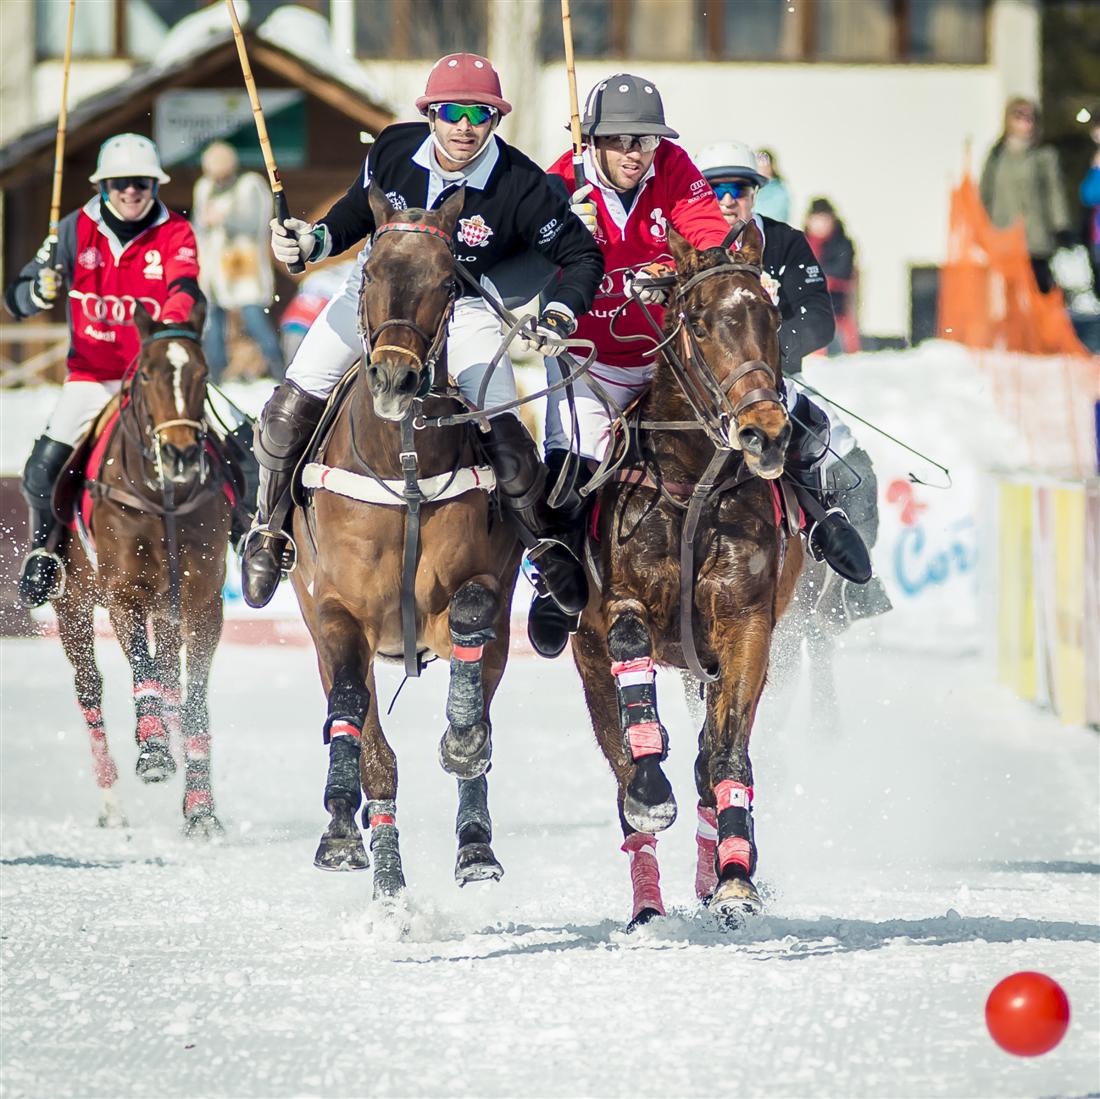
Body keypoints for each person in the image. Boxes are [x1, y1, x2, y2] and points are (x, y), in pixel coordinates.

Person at [239, 53, 604, 616]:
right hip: (378, 298)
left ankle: (543, 541)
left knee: (501, 416)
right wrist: (311, 242)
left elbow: (582, 254)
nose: (465, 126)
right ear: (430, 114)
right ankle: (269, 528)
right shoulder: (391, 148)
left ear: (495, 122)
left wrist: (558, 311)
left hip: (464, 306)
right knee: (297, 393)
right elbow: (355, 215)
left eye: (480, 115)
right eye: (452, 111)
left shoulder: (521, 184)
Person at [529, 88, 873, 657]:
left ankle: (818, 519)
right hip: (590, 360)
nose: (634, 151)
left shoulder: (701, 190)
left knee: (783, 423)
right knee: (569, 464)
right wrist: (561, 230)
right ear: (593, 140)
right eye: (619, 140)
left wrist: (739, 311)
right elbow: (525, 259)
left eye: (644, 139)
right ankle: (557, 582)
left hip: (672, 359)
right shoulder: (561, 183)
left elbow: (708, 233)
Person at [3, 134, 205, 609]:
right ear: (102, 186)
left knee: (235, 444)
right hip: (93, 376)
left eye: (141, 183)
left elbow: (186, 288)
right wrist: (39, 290)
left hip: (156, 378)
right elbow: (16, 298)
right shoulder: (73, 230)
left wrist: (170, 326)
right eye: (119, 183)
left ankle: (248, 540)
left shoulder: (175, 231)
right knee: (41, 469)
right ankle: (44, 552)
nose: (130, 192)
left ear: (155, 185)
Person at [697, 140, 891, 627]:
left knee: (853, 468)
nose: (725, 200)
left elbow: (819, 318)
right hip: (703, 388)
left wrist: (763, 360)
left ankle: (849, 588)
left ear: (755, 193)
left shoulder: (783, 242)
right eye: (713, 188)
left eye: (737, 188)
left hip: (774, 383)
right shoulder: (684, 245)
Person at [191, 141, 283, 381]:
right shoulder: (204, 187)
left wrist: (224, 218)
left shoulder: (249, 185)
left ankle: (279, 372)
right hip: (214, 269)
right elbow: (199, 224)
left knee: (253, 317)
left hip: (243, 267)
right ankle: (216, 377)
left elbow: (254, 224)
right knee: (213, 323)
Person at [980, 97, 1074, 294]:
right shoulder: (997, 155)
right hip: (1005, 236)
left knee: (1039, 291)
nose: (1025, 122)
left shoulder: (1044, 154)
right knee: (1008, 293)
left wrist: (1061, 227)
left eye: (1030, 117)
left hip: (1036, 238)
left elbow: (1054, 192)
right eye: (1019, 116)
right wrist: (981, 227)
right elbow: (985, 194)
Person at [804, 197, 859, 354]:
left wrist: (815, 278)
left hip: (834, 305)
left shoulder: (842, 243)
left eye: (825, 219)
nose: (821, 224)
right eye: (817, 219)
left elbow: (842, 271)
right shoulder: (800, 242)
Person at [753, 147, 790, 223]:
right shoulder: (750, 187)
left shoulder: (779, 190)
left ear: (771, 166)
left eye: (765, 163)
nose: (762, 167)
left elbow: (778, 216)